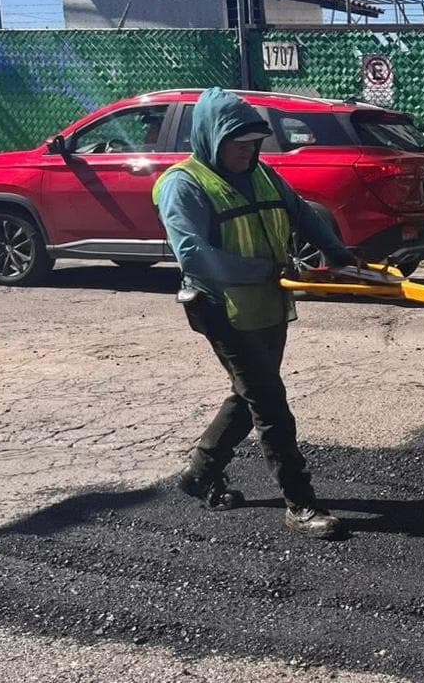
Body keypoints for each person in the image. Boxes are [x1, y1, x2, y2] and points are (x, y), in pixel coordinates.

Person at [152, 87, 357, 539]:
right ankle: (300, 504)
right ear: (211, 140)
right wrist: (264, 268)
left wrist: (339, 255)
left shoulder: (263, 174)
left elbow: (302, 214)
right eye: (239, 146)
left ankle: (200, 472)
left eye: (253, 145)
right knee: (270, 404)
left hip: (267, 303)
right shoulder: (182, 184)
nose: (249, 153)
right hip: (220, 308)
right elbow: (193, 255)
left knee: (249, 396)